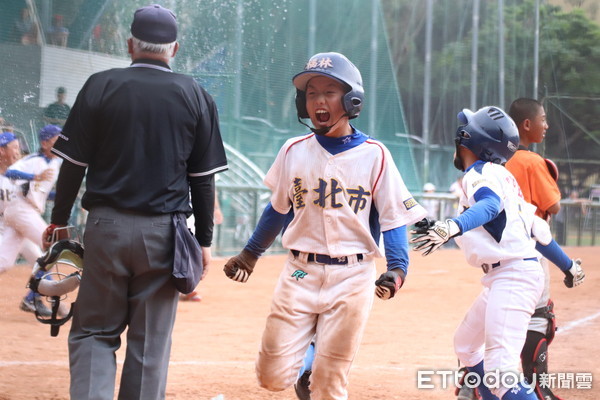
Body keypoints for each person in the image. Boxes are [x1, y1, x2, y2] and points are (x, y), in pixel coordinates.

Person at [44, 5, 227, 399]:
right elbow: (202, 180)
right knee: (150, 343)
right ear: (174, 49)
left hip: (106, 228)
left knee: (94, 331)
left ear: (129, 44)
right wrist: (206, 240)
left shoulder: (100, 85)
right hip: (165, 235)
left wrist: (59, 220)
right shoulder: (196, 94)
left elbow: (73, 165)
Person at [222, 52, 427, 400]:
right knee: (270, 376)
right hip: (299, 273)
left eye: (329, 92)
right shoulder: (293, 151)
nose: (318, 100)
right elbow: (278, 210)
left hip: (353, 276)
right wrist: (250, 254)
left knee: (329, 385)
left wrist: (397, 268)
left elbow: (393, 218)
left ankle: (317, 364)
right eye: (311, 93)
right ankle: (307, 363)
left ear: (351, 99)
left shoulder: (376, 155)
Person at [410, 106, 584, 400]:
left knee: (501, 375)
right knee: (466, 344)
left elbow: (489, 206)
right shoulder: (503, 177)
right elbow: (538, 232)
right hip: (509, 275)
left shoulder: (479, 173)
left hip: (513, 276)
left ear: (468, 138)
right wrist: (569, 267)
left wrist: (452, 226)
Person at [505, 98, 563, 400]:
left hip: (499, 248)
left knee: (501, 313)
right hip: (532, 245)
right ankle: (537, 386)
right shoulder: (531, 161)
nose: (546, 125)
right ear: (526, 125)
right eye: (542, 119)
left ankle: (476, 381)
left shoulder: (496, 158)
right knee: (539, 315)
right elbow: (553, 205)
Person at [0, 125, 62, 316]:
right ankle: (32, 297)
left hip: (21, 212)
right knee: (55, 247)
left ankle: (34, 297)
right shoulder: (33, 160)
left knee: (3, 262)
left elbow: (42, 192)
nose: (61, 143)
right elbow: (10, 173)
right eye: (56, 140)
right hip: (20, 210)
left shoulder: (56, 161)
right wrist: (34, 176)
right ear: (44, 143)